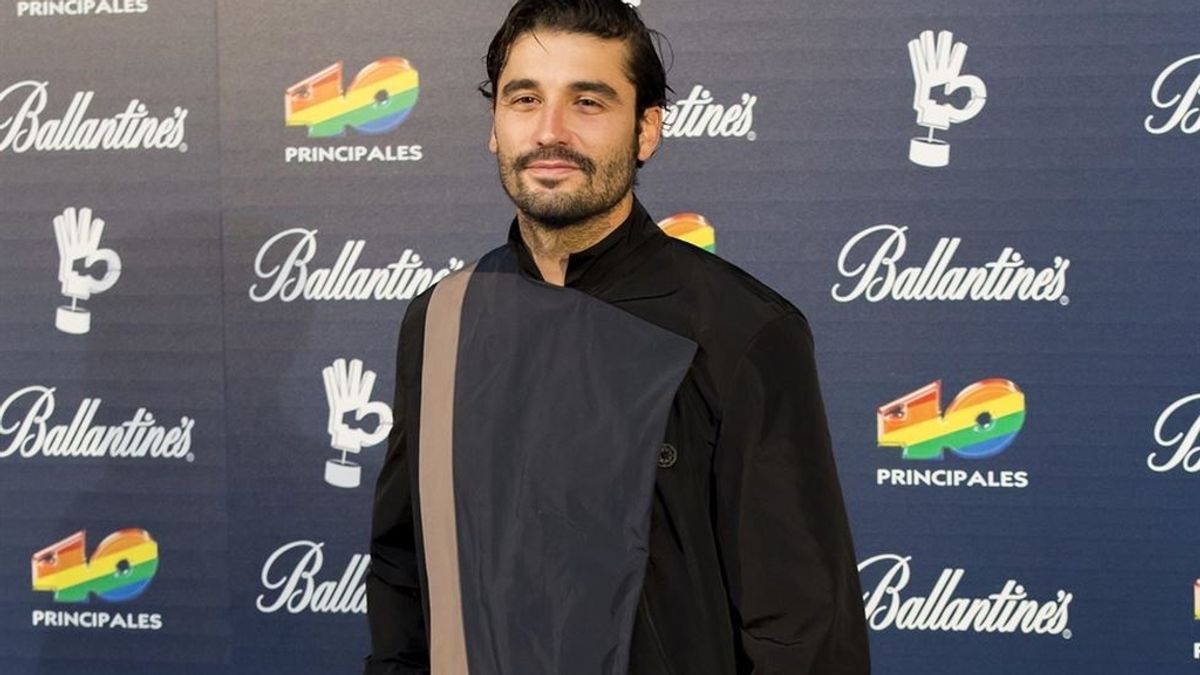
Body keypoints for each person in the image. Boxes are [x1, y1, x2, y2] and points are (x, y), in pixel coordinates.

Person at [364, 1, 870, 673]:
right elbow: (401, 570)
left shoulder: (743, 330)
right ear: (495, 126)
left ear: (646, 130)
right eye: (524, 100)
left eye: (588, 102)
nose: (550, 132)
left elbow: (805, 633)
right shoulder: (440, 319)